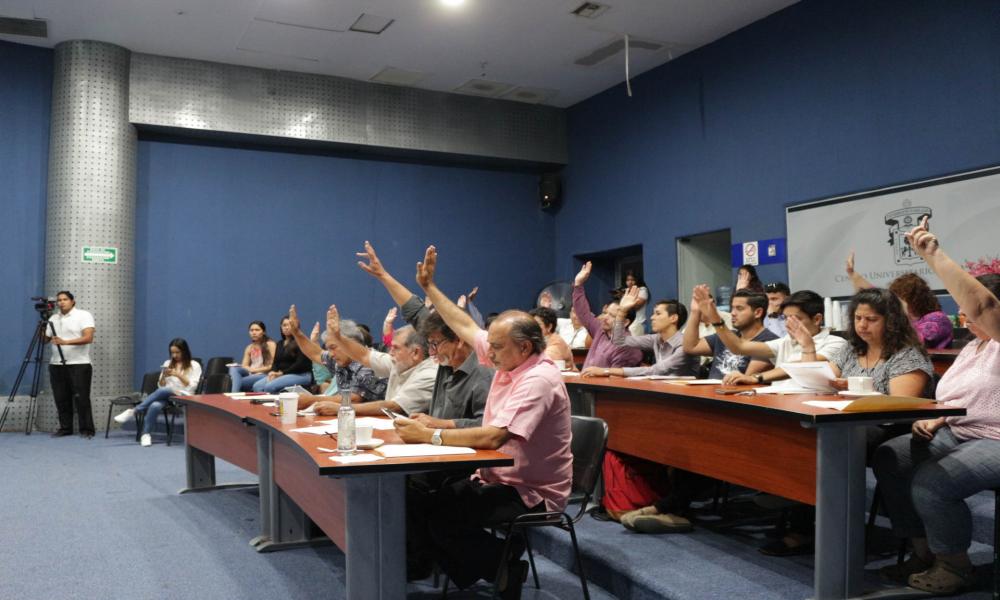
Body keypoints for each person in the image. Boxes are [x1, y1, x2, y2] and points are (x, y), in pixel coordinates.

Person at [393, 245, 572, 598]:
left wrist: (429, 435)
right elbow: (462, 324)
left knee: (440, 518)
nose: (487, 352)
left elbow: (493, 439)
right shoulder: (508, 359)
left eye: (497, 347)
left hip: (532, 492)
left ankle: (502, 566)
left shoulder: (539, 380)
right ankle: (498, 564)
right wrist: (429, 287)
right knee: (416, 503)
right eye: (489, 344)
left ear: (523, 348)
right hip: (496, 475)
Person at [873, 216, 1000, 594]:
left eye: (965, 307)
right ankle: (923, 550)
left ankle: (955, 566)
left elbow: (984, 304)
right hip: (959, 430)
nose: (962, 315)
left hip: (994, 439)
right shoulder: (973, 347)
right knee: (891, 456)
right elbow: (958, 396)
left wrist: (932, 253)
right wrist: (938, 418)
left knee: (934, 482)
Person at [354, 240, 493, 429]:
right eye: (430, 344)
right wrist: (383, 276)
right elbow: (414, 309)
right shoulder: (445, 355)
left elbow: (487, 425)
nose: (432, 353)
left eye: (435, 344)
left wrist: (439, 424)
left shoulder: (484, 371)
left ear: (459, 339)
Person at [303, 304, 437, 417]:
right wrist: (337, 336)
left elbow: (394, 406)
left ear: (415, 352)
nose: (390, 352)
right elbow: (364, 355)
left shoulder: (429, 373)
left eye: (395, 348)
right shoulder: (398, 361)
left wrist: (343, 408)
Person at [696, 287, 848, 385]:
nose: (789, 324)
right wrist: (715, 319)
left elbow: (801, 367)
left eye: (796, 319)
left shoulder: (836, 343)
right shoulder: (784, 342)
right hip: (777, 403)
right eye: (786, 318)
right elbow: (739, 347)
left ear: (817, 319)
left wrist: (756, 377)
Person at [846, 252, 954, 348]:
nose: (894, 303)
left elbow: (914, 344)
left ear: (915, 299)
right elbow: (873, 293)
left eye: (899, 299)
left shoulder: (938, 318)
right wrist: (852, 274)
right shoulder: (902, 318)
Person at [290, 309, 387, 412]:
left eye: (333, 347)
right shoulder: (341, 359)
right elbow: (316, 353)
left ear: (349, 343)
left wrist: (312, 400)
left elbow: (354, 399)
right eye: (328, 349)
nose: (331, 354)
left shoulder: (369, 363)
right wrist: (296, 332)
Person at [589, 289, 699, 378]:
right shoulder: (656, 338)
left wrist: (606, 371)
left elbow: (656, 370)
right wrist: (622, 311)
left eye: (657, 314)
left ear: (673, 318)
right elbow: (618, 341)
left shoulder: (685, 343)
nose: (652, 317)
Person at [115, 338, 201, 447]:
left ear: (184, 351)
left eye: (177, 352)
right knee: (155, 405)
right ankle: (145, 434)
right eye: (172, 352)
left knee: (166, 390)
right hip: (167, 396)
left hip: (185, 395)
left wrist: (177, 375)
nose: (174, 355)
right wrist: (164, 377)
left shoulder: (194, 365)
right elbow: (160, 386)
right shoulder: (168, 363)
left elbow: (193, 386)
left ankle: (134, 411)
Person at [683, 289, 777, 381]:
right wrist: (695, 312)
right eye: (732, 308)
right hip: (711, 393)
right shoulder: (728, 335)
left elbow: (746, 381)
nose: (733, 313)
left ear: (758, 312)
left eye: (739, 308)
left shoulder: (770, 342)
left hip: (738, 395)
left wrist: (714, 317)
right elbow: (690, 347)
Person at [572, 261, 643, 374]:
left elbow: (615, 383)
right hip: (586, 386)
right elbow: (583, 313)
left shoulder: (627, 347)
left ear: (625, 322)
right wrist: (578, 284)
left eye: (612, 316)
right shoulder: (601, 329)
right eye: (606, 313)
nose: (605, 318)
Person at [45, 291, 96, 438]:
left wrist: (65, 342)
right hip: (56, 363)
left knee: (82, 398)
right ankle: (65, 428)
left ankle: (87, 429)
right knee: (61, 397)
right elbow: (45, 339)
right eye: (59, 300)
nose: (61, 302)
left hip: (79, 364)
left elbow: (88, 337)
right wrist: (42, 323)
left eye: (65, 299)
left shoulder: (83, 315)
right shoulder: (53, 318)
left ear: (72, 301)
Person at [251, 316, 313, 393]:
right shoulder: (280, 344)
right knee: (257, 386)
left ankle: (277, 404)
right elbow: (275, 362)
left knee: (269, 387)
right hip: (283, 374)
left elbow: (300, 364)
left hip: (301, 374)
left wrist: (281, 373)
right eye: (284, 325)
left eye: (289, 325)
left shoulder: (301, 342)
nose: (286, 327)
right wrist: (272, 372)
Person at [228, 320, 277, 392]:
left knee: (235, 382)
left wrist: (254, 370)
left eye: (257, 330)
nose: (254, 333)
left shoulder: (270, 344)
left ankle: (233, 394)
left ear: (263, 332)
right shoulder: (249, 347)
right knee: (233, 369)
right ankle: (233, 393)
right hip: (250, 374)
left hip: (264, 375)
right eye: (251, 330)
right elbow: (244, 365)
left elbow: (273, 366)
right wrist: (250, 370)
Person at [528, 306, 575, 371]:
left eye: (538, 324)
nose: (533, 328)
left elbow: (544, 365)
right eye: (532, 324)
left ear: (549, 327)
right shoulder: (537, 340)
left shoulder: (556, 343)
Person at [622, 271, 650, 336]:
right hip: (628, 323)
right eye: (628, 280)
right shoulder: (627, 291)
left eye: (632, 280)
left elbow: (636, 306)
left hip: (639, 323)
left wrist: (626, 298)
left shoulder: (642, 290)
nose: (630, 282)